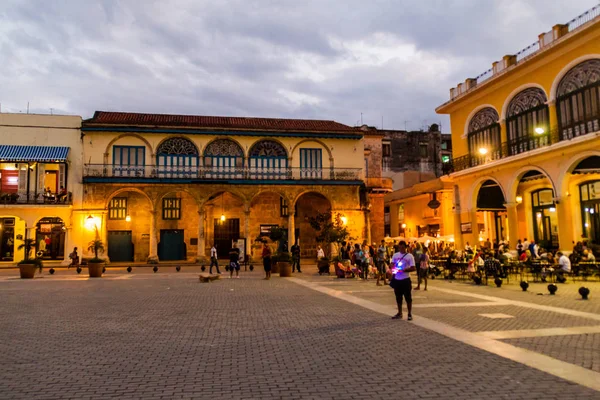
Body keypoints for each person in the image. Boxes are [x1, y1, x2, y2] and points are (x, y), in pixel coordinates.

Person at [390, 241, 416, 321]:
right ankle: (399, 312)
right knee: (398, 297)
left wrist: (405, 270)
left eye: (402, 247)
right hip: (397, 279)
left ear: (405, 247)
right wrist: (393, 267)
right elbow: (391, 264)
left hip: (405, 279)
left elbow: (413, 268)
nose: (401, 249)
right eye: (399, 247)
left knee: (408, 297)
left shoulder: (410, 256)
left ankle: (409, 313)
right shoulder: (395, 255)